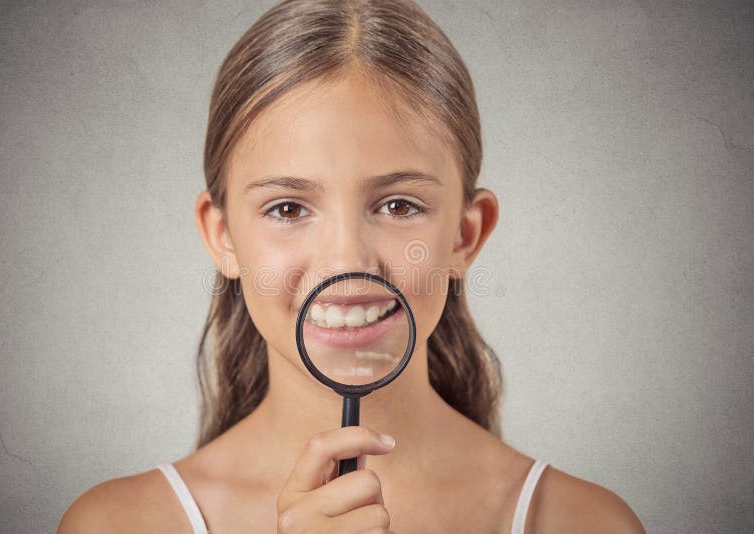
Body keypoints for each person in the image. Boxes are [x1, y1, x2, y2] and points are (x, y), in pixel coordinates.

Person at [58, 0, 645, 532]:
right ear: (223, 235)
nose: (346, 261)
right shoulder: (119, 523)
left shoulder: (583, 522)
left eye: (398, 205)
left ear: (466, 235)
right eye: (287, 208)